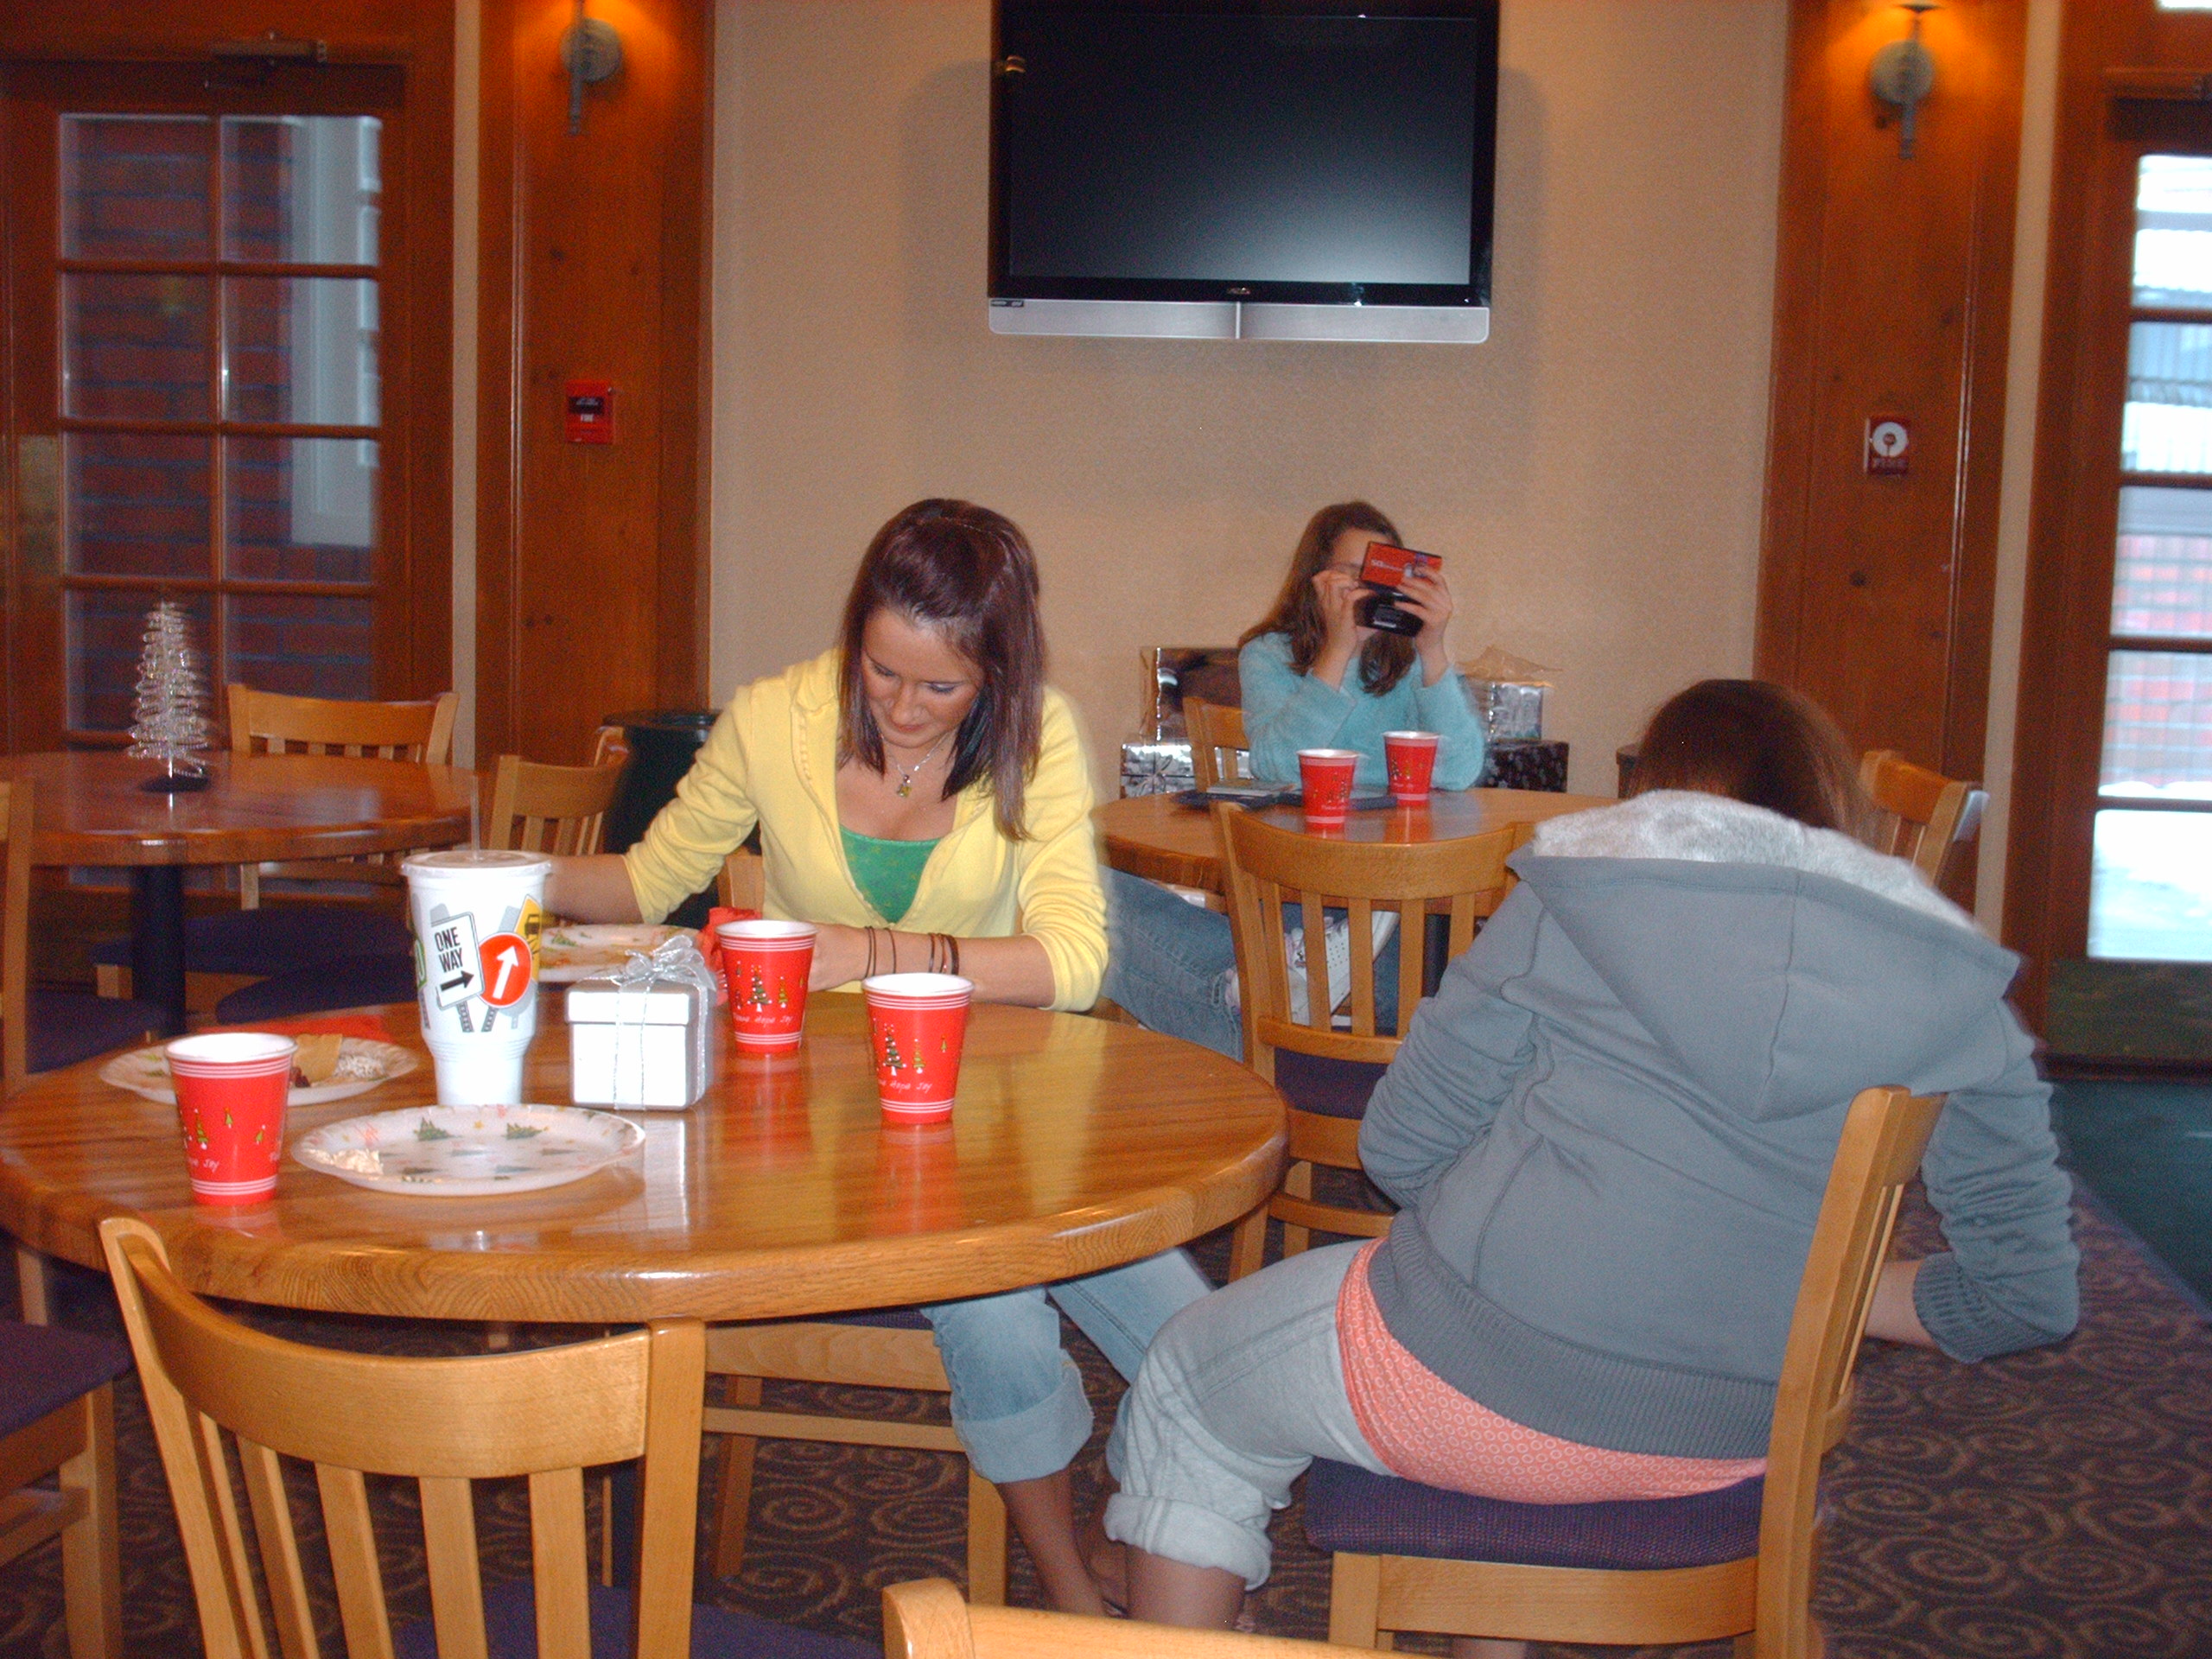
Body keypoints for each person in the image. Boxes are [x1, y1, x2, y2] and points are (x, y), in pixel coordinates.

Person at [1096, 679, 2080, 1641]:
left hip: (1470, 1377)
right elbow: (2023, 1296)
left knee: (1186, 1383)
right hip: (1736, 1435)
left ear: (1656, 797)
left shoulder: (1577, 897)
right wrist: (1806, 1290)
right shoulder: (1963, 996)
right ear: (1836, 808)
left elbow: (1399, 1149)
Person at [545, 499, 1211, 1616]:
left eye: (940, 687)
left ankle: (1123, 1538)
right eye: (881, 672)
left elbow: (1074, 962)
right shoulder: (771, 720)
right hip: (818, 1133)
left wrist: (871, 953)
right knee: (998, 1311)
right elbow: (648, 883)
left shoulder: (1035, 734)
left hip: (1002, 1113)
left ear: (995, 674)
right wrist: (509, 876)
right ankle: (1069, 1589)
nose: (903, 709)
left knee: (1196, 1341)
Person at [1102, 502, 1489, 1058]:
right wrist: (1338, 649)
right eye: (1354, 576)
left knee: (1102, 941)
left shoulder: (1408, 664)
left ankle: (1254, 995)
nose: (1368, 592)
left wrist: (1432, 648)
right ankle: (1281, 981)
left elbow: (1458, 770)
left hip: (1389, 891)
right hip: (1295, 881)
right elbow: (1279, 765)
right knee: (1084, 885)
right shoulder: (1271, 655)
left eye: (1383, 577)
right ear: (1316, 579)